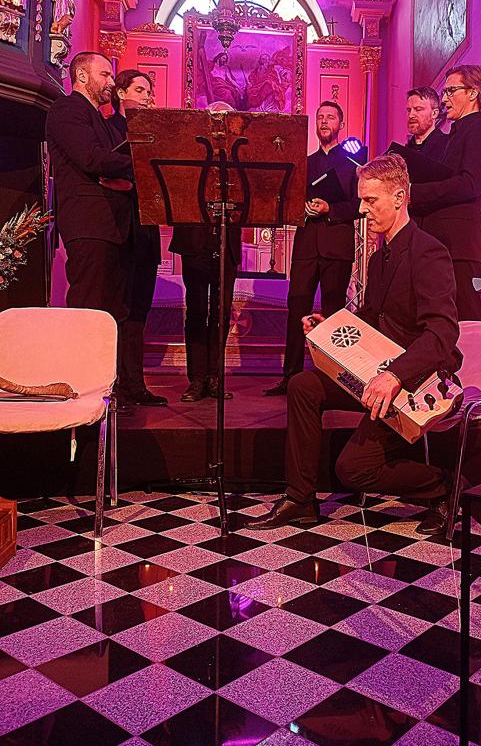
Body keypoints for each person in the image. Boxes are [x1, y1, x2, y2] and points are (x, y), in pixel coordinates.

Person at [248, 153, 463, 536]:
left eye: (370, 200)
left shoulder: (429, 252)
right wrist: (329, 327)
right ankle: (300, 499)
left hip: (414, 382)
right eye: (361, 200)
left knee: (352, 469)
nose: (362, 210)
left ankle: (446, 486)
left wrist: (395, 376)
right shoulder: (380, 259)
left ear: (399, 197)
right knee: (303, 384)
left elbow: (442, 333)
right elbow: (372, 317)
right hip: (380, 373)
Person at [264, 101, 363, 396]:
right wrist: (303, 209)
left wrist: (330, 208)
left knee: (334, 311)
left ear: (340, 124)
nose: (324, 121)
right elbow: (288, 201)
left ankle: (333, 377)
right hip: (306, 245)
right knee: (297, 307)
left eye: (330, 117)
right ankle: (291, 376)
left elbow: (360, 206)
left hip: (337, 247)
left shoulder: (353, 165)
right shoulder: (304, 164)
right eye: (320, 117)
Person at [46, 51, 134, 364]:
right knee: (90, 307)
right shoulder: (68, 109)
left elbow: (108, 160)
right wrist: (137, 164)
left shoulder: (100, 118)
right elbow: (91, 157)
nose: (111, 82)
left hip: (110, 224)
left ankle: (106, 384)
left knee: (111, 312)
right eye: (104, 75)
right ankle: (82, 379)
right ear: (82, 76)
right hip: (89, 222)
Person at [404, 65, 481, 320]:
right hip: (438, 242)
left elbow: (470, 184)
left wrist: (416, 193)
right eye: (444, 92)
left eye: (450, 91)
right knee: (436, 318)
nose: (445, 99)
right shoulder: (452, 136)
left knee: (465, 320)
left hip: (460, 246)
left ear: (473, 93)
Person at [169, 102, 241, 403]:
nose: (219, 124)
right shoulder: (190, 150)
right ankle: (197, 379)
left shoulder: (239, 155)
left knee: (221, 313)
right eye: (215, 118)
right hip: (194, 241)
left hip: (226, 241)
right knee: (197, 311)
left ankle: (214, 377)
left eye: (224, 119)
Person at [108, 70, 167, 407]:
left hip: (146, 233)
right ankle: (116, 383)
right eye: (140, 90)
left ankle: (135, 384)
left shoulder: (151, 133)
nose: (147, 96)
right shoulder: (111, 128)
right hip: (122, 231)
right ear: (121, 93)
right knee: (120, 310)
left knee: (139, 313)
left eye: (149, 91)